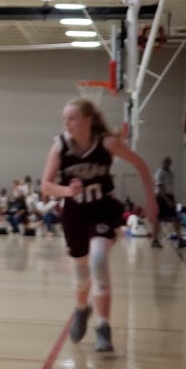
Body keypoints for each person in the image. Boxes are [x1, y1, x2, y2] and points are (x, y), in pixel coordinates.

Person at [40, 98, 157, 353]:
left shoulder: (107, 143)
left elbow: (141, 165)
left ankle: (103, 327)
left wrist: (151, 200)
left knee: (98, 260)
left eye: (71, 118)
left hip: (102, 208)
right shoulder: (60, 146)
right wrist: (67, 191)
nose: (66, 123)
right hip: (74, 213)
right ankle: (82, 309)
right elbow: (45, 186)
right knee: (81, 276)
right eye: (64, 119)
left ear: (87, 120)